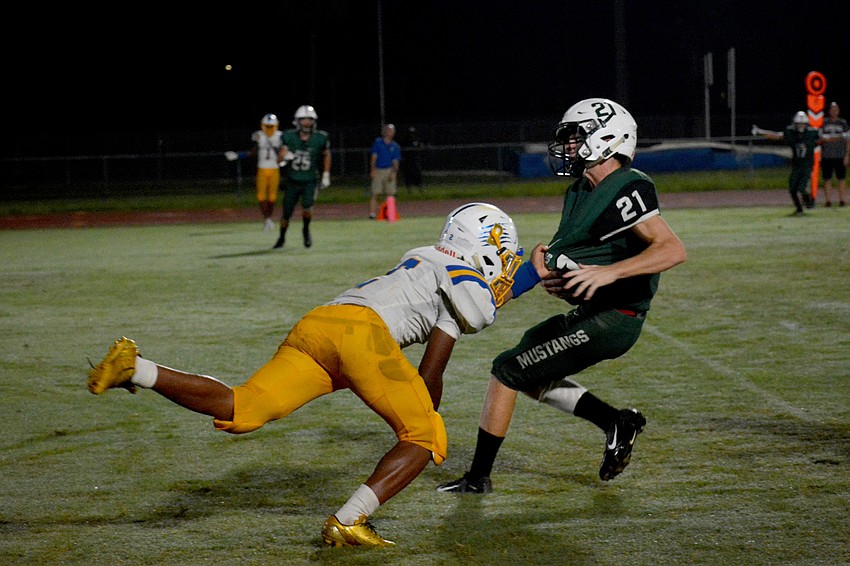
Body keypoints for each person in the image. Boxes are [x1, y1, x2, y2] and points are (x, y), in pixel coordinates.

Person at [87, 202, 544, 547]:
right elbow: (439, 363)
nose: (504, 269)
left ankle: (137, 368)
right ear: (485, 245)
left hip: (322, 322)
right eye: (504, 257)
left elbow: (435, 361)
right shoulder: (462, 277)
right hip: (362, 338)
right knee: (426, 437)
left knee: (244, 406)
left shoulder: (428, 259)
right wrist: (422, 420)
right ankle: (350, 520)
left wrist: (532, 275)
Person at [436, 98, 687, 495]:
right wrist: (563, 281)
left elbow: (671, 249)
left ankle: (477, 478)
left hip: (614, 317)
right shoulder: (581, 190)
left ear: (605, 138)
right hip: (594, 310)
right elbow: (578, 256)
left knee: (507, 371)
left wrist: (608, 273)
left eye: (576, 137)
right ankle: (615, 422)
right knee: (526, 374)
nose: (568, 147)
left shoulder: (626, 185)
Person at [273, 105, 331, 249]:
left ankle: (306, 230)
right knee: (286, 213)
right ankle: (281, 237)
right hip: (292, 181)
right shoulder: (288, 137)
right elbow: (279, 161)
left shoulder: (320, 137)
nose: (306, 123)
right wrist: (285, 156)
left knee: (307, 208)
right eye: (303, 120)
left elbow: (326, 154)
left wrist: (326, 174)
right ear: (297, 121)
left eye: (309, 120)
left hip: (309, 180)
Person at [752, 112, 821, 215]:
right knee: (792, 189)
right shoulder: (791, 132)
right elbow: (777, 136)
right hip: (796, 165)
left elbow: (826, 138)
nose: (800, 126)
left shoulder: (812, 133)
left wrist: (842, 136)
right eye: (798, 123)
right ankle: (799, 209)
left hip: (807, 165)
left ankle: (809, 200)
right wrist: (760, 132)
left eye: (802, 124)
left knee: (801, 188)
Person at [225, 113, 283, 231]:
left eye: (271, 126)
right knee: (261, 196)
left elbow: (284, 151)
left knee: (272, 197)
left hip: (274, 169)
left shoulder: (280, 136)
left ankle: (268, 218)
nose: (269, 129)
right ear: (263, 126)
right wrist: (238, 156)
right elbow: (252, 153)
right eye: (267, 126)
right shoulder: (259, 136)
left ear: (276, 126)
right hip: (262, 169)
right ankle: (267, 220)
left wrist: (287, 157)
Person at [368, 123, 402, 219]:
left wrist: (394, 172)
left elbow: (395, 161)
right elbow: (374, 157)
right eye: (388, 131)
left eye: (392, 131)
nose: (390, 133)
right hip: (379, 170)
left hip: (389, 170)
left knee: (390, 193)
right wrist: (373, 169)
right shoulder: (378, 143)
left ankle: (390, 213)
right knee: (375, 192)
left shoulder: (395, 146)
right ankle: (372, 213)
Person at [820, 101, 850, 207]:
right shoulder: (824, 123)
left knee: (841, 178)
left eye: (835, 109)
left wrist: (847, 155)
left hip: (840, 155)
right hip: (827, 155)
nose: (834, 111)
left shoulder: (843, 123)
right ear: (829, 111)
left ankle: (842, 200)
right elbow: (820, 138)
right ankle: (828, 201)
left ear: (838, 111)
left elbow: (848, 140)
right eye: (832, 109)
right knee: (827, 179)